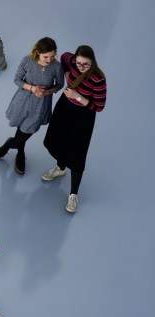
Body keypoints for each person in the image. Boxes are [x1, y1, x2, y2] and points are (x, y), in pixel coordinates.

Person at [41, 45, 107, 213]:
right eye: (79, 63)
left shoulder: (98, 79)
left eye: (86, 64)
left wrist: (77, 96)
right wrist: (66, 74)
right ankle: (61, 168)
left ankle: (73, 193)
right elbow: (64, 57)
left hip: (83, 117)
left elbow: (99, 107)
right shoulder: (70, 60)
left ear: (92, 62)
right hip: (64, 108)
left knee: (77, 153)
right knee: (58, 139)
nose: (81, 67)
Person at [0, 37, 64, 175]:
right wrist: (32, 88)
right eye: (46, 56)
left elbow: (60, 84)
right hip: (23, 101)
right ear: (37, 52)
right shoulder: (27, 60)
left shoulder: (57, 66)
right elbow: (17, 79)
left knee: (24, 132)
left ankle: (8, 144)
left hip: (40, 105)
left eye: (52, 56)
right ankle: (20, 153)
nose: (49, 60)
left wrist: (47, 91)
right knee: (21, 130)